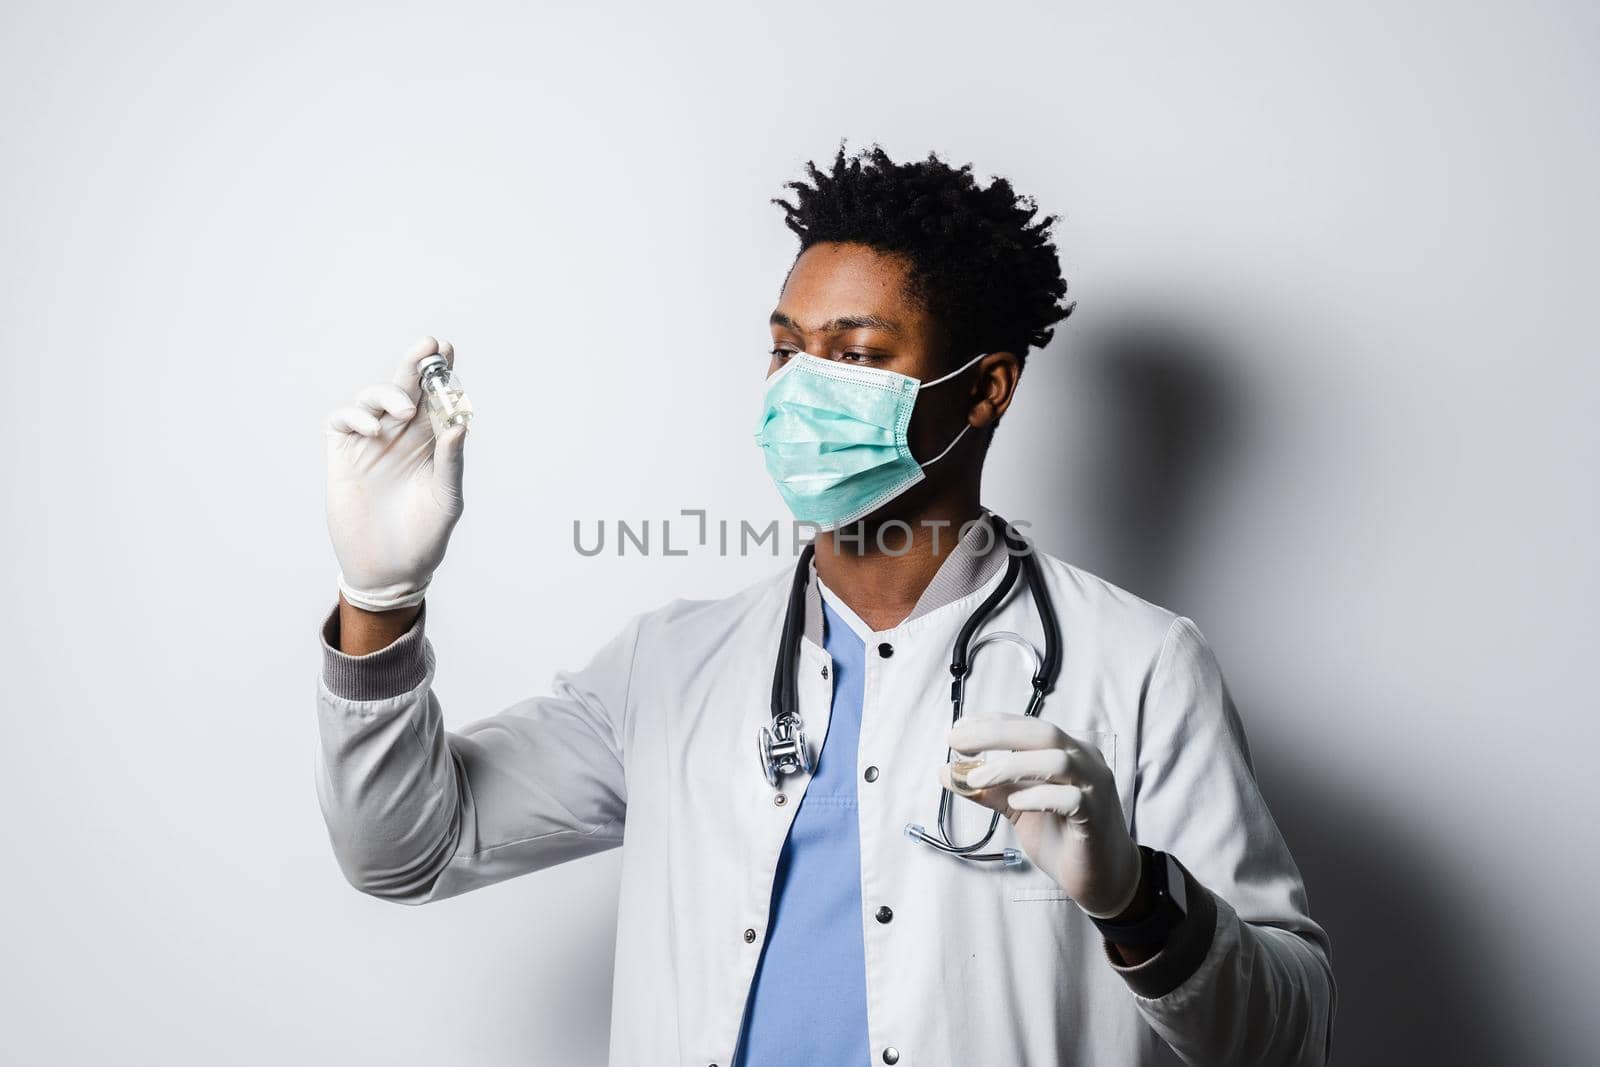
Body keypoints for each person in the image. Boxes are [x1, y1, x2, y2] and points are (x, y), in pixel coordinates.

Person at [315, 143, 1335, 1066]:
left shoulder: (1141, 665)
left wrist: (1137, 897)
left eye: (853, 355)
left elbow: (1283, 1036)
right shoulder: (671, 663)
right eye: (784, 347)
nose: (799, 389)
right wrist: (380, 598)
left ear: (985, 388)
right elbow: (407, 850)